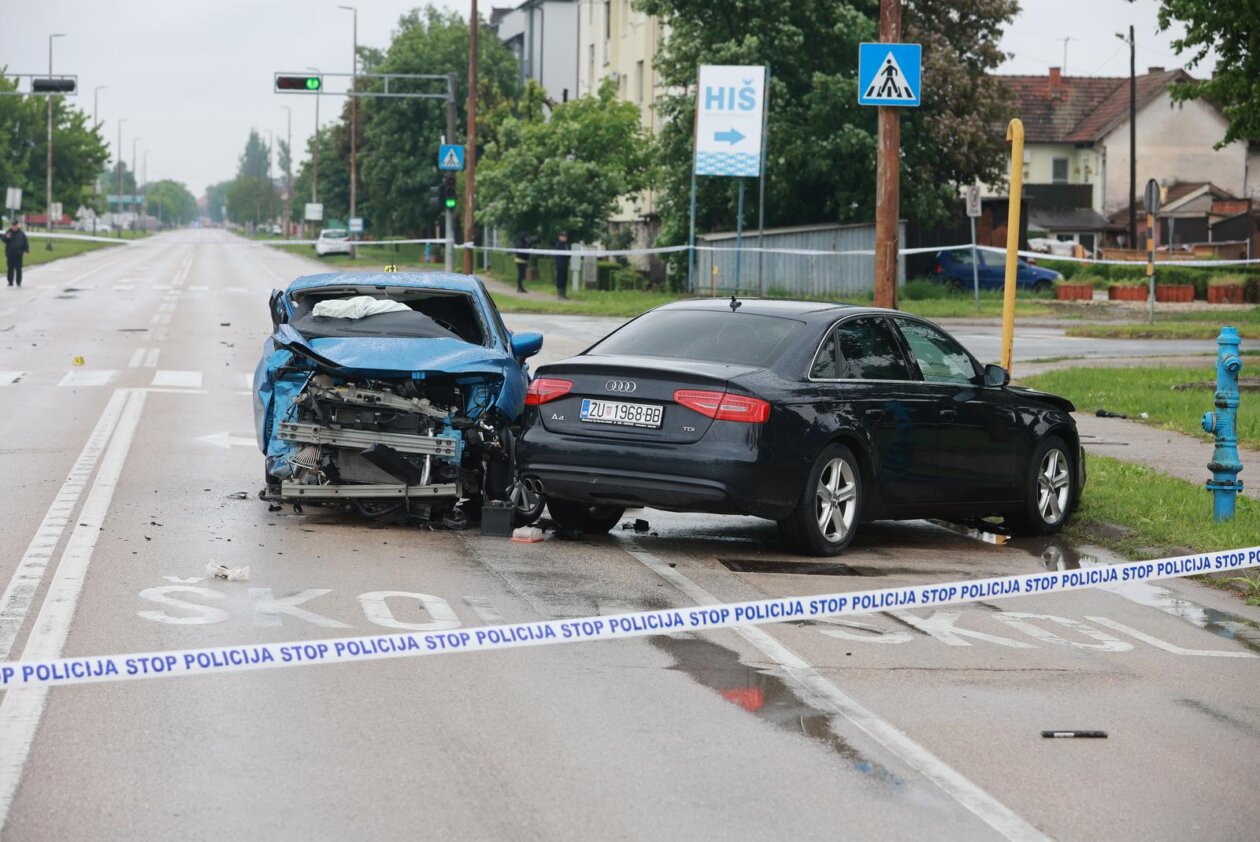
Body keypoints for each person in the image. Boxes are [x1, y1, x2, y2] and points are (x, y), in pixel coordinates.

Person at [4, 220, 30, 288]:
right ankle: (10, 282)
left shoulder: (21, 233)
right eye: (13, 225)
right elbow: (4, 240)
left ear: (17, 225)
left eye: (15, 225)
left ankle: (18, 282)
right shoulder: (8, 232)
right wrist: (7, 237)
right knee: (10, 268)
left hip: (19, 254)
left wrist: (26, 250)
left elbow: (25, 242)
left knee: (18, 269)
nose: (14, 226)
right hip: (10, 253)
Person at [553, 231, 571, 299]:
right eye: (563, 236)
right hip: (560, 264)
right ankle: (560, 293)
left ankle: (564, 293)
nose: (565, 237)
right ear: (560, 237)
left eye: (565, 236)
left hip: (565, 264)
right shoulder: (559, 244)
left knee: (564, 278)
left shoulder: (566, 245)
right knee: (560, 278)